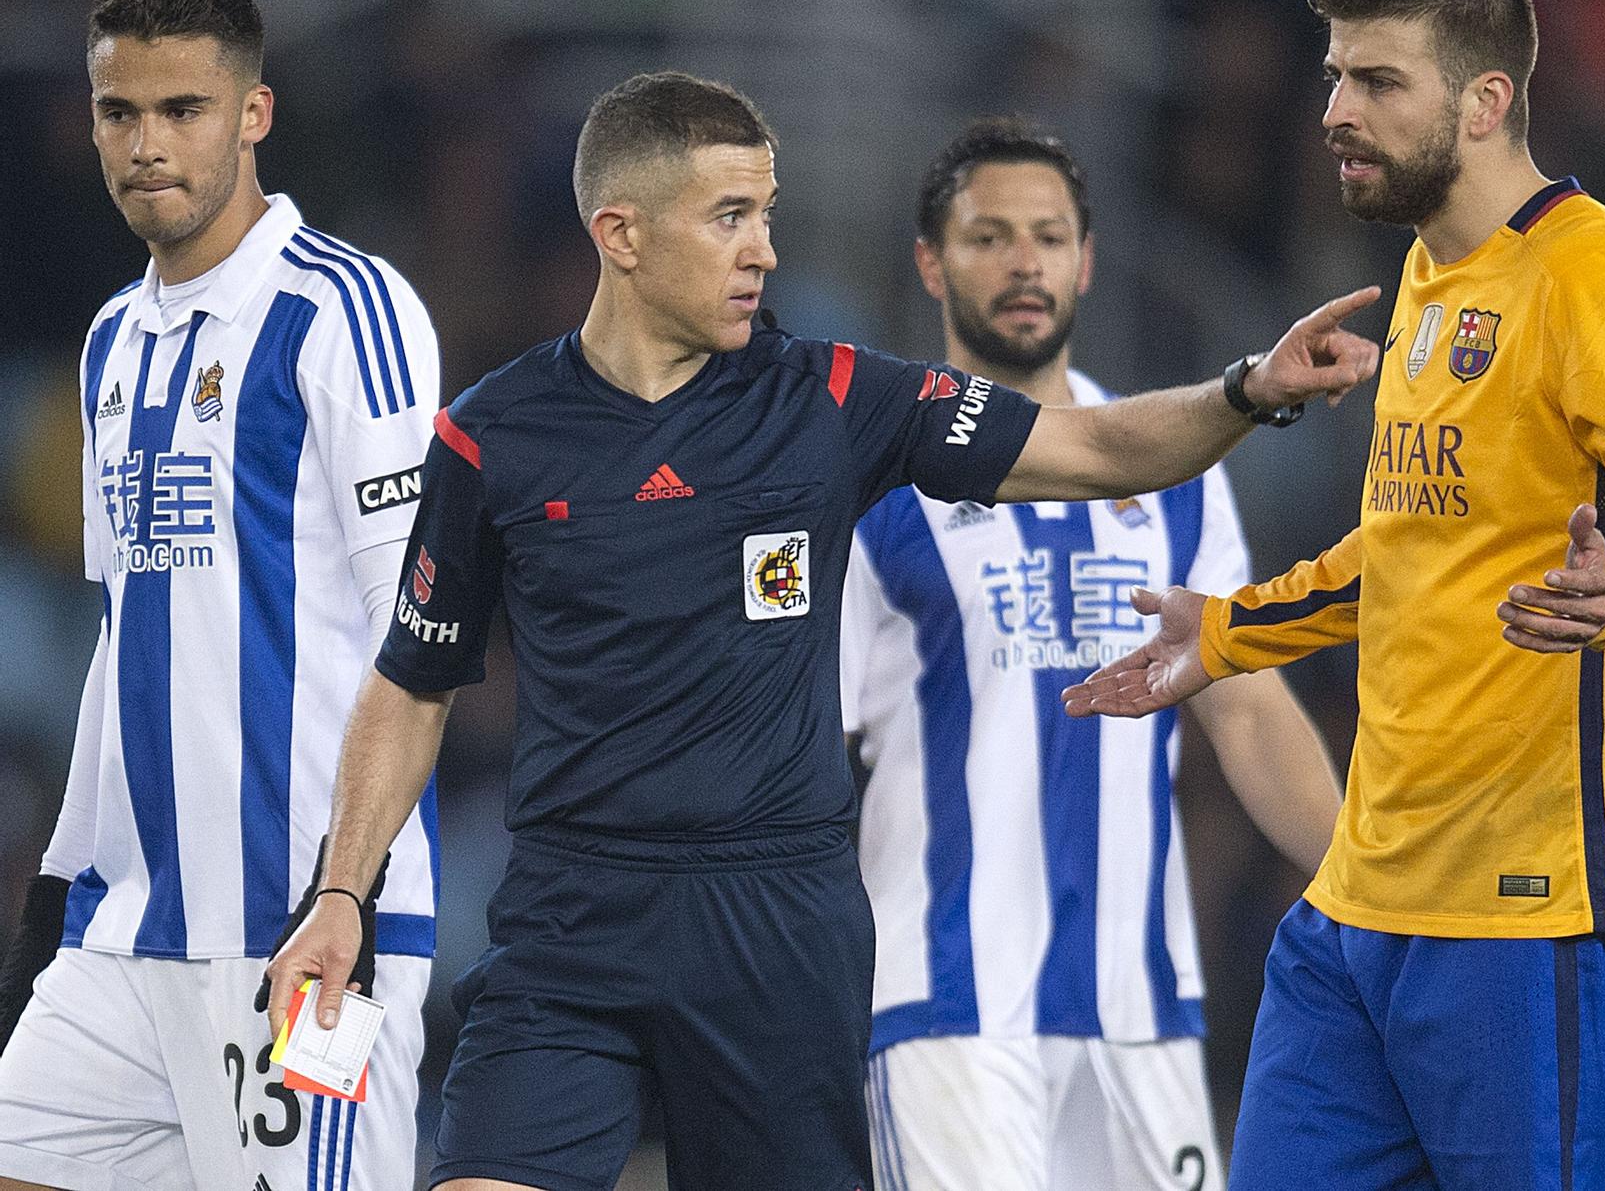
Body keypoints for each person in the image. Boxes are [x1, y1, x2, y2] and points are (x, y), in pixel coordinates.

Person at [264, 70, 1380, 1191]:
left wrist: (1246, 389)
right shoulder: (491, 436)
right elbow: (413, 683)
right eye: (729, 219)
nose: (764, 251)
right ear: (621, 234)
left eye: (767, 215)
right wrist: (338, 897)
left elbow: (1091, 449)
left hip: (777, 935)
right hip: (570, 923)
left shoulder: (835, 399)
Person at [1063, 0, 1605, 1191]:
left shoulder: (1599, 279)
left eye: (1376, 82)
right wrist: (1223, 636)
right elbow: (1410, 549)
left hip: (1532, 923)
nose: (1334, 110)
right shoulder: (1429, 276)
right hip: (1356, 912)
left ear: (1485, 101)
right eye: (1333, 76)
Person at [0, 0, 440, 1189]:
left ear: (252, 114)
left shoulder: (344, 313)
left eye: (181, 110)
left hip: (300, 934)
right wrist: (58, 877)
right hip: (128, 933)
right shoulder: (109, 341)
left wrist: (343, 893)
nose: (146, 144)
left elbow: (421, 635)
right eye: (118, 112)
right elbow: (122, 631)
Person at [841, 118, 1342, 1191]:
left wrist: (1367, 876)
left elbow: (1244, 709)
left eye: (1048, 236)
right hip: (945, 1008)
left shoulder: (1178, 470)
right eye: (987, 237)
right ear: (929, 262)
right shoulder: (871, 480)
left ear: (1085, 260)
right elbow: (803, 745)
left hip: (1140, 1013)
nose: (1023, 261)